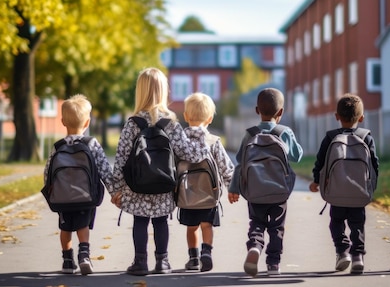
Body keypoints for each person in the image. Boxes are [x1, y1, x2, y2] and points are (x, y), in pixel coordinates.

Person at [110, 67, 211, 276]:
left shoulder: (132, 123)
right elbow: (187, 153)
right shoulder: (170, 123)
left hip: (137, 184)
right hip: (164, 184)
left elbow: (120, 158)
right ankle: (162, 261)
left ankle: (140, 262)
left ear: (140, 91)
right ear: (164, 91)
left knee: (140, 220)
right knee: (161, 221)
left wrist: (115, 190)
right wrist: (204, 143)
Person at [228, 87, 303, 277]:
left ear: (257, 111)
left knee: (256, 223)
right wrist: (291, 140)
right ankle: (273, 264)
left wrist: (234, 188)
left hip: (255, 192)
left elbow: (240, 162)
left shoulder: (250, 134)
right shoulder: (284, 132)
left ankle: (254, 246)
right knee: (277, 228)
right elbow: (297, 156)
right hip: (279, 192)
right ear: (281, 112)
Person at [43, 94, 114, 275]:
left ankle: (67, 261)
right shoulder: (92, 144)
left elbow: (48, 171)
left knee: (65, 228)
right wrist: (115, 192)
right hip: (85, 196)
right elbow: (105, 170)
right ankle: (84, 255)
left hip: (63, 197)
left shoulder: (58, 146)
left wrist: (50, 191)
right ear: (87, 122)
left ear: (62, 121)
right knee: (83, 226)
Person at [309, 94, 380, 274]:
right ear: (361, 118)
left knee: (336, 223)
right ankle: (358, 256)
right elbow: (374, 164)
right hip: (358, 193)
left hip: (337, 193)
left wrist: (316, 180)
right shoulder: (366, 137)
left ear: (336, 116)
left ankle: (342, 251)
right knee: (358, 225)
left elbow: (321, 161)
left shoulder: (331, 137)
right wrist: (371, 185)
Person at [179, 92, 234, 272]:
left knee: (191, 227)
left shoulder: (180, 142)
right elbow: (226, 167)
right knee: (207, 226)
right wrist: (233, 186)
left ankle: (193, 258)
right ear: (210, 119)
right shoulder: (214, 141)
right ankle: (207, 253)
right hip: (209, 193)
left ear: (186, 116)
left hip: (186, 196)